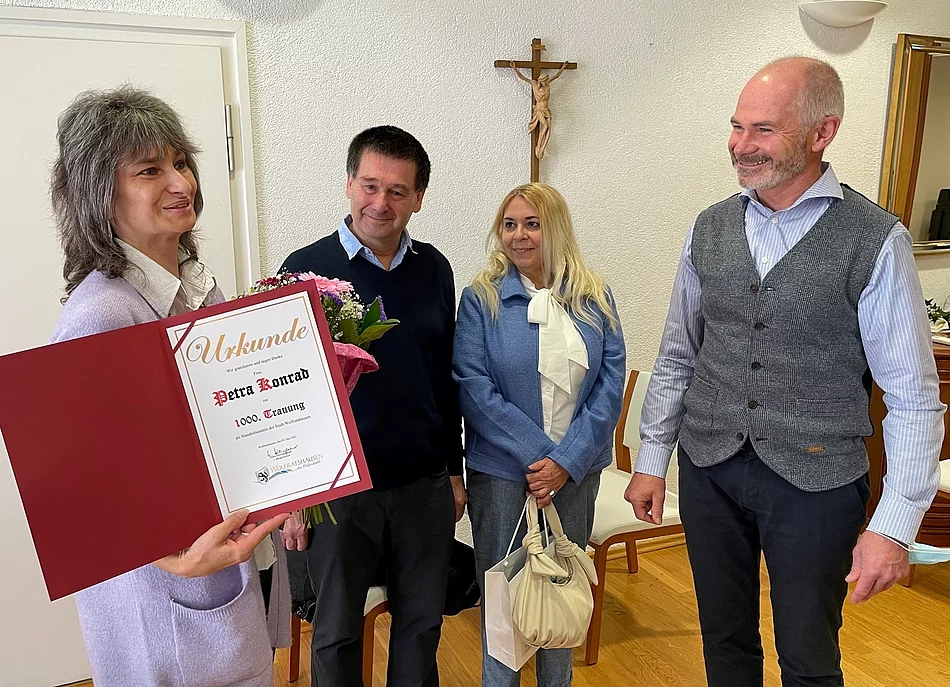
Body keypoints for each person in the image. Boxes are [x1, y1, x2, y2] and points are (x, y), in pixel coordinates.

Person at [624, 57, 945, 687]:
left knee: (808, 655)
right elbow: (679, 354)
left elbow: (912, 394)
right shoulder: (709, 227)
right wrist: (652, 458)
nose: (741, 145)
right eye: (737, 126)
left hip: (817, 479)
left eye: (763, 129)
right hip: (710, 466)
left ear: (823, 132)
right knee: (723, 638)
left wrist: (894, 525)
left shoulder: (874, 239)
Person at [49, 86, 292, 686]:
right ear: (99, 195)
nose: (181, 183)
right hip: (165, 608)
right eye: (149, 170)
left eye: (181, 162)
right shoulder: (102, 314)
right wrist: (171, 559)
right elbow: (75, 487)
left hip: (230, 566)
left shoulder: (197, 288)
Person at [280, 125, 465, 687]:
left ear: (419, 198)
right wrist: (292, 499)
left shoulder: (435, 269)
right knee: (336, 633)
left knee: (421, 626)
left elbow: (445, 377)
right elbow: (285, 397)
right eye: (370, 185)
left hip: (423, 487)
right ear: (348, 184)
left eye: (397, 191)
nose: (380, 203)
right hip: (339, 493)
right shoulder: (303, 270)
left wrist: (454, 471)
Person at [454, 182, 625, 686]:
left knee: (562, 593)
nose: (519, 235)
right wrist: (540, 458)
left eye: (533, 224)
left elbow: (610, 383)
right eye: (509, 225)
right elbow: (472, 387)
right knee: (504, 605)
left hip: (576, 472)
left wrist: (566, 462)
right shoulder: (481, 300)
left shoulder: (595, 296)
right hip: (504, 474)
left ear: (556, 229)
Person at [511, 62, 567, 160]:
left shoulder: (547, 84)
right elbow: (523, 78)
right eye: (543, 81)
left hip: (546, 110)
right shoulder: (534, 83)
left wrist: (563, 68)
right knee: (545, 126)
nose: (545, 83)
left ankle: (542, 147)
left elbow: (556, 76)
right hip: (539, 110)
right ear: (540, 81)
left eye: (546, 81)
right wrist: (515, 68)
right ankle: (539, 147)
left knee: (549, 129)